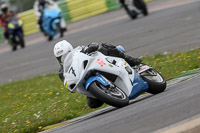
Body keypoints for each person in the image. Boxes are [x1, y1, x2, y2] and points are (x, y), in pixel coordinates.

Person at [53, 40, 142, 108]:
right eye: (60, 58)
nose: (63, 59)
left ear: (70, 50)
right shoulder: (62, 72)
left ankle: (131, 60)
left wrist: (92, 46)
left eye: (65, 56)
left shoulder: (78, 51)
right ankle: (109, 92)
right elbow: (68, 85)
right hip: (87, 84)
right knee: (92, 104)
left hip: (100, 64)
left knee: (105, 46)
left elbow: (91, 46)